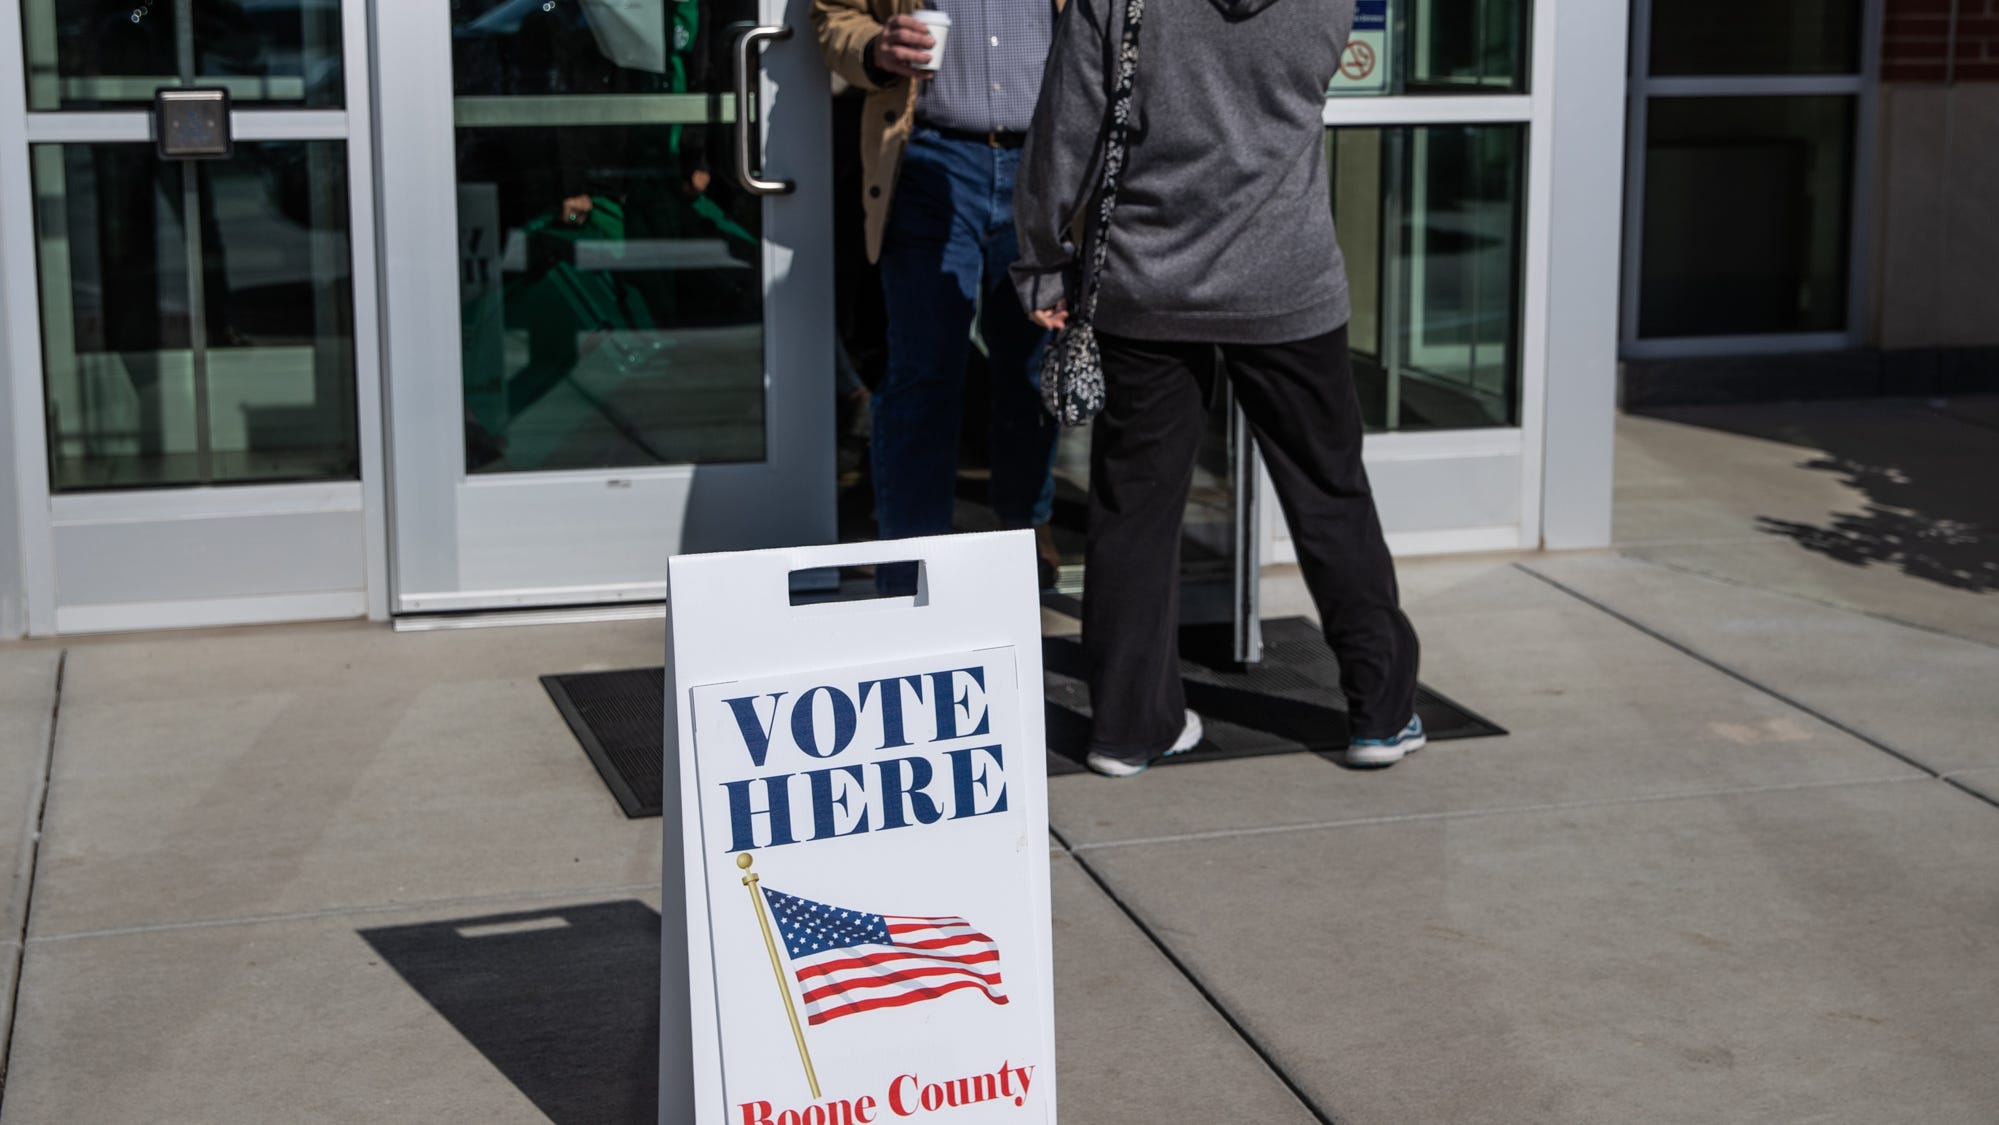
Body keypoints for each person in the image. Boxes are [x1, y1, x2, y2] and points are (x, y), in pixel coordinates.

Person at [1013, 0, 1423, 775]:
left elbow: (1066, 128)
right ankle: (1379, 711)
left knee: (1134, 506)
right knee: (1328, 492)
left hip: (1147, 282)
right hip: (1287, 282)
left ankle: (1129, 728)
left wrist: (1039, 261)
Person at [813, 0, 1064, 592]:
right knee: (923, 371)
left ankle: (1025, 526)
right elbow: (834, 17)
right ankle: (912, 561)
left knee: (1033, 364)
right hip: (929, 155)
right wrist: (874, 48)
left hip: (1048, 160)